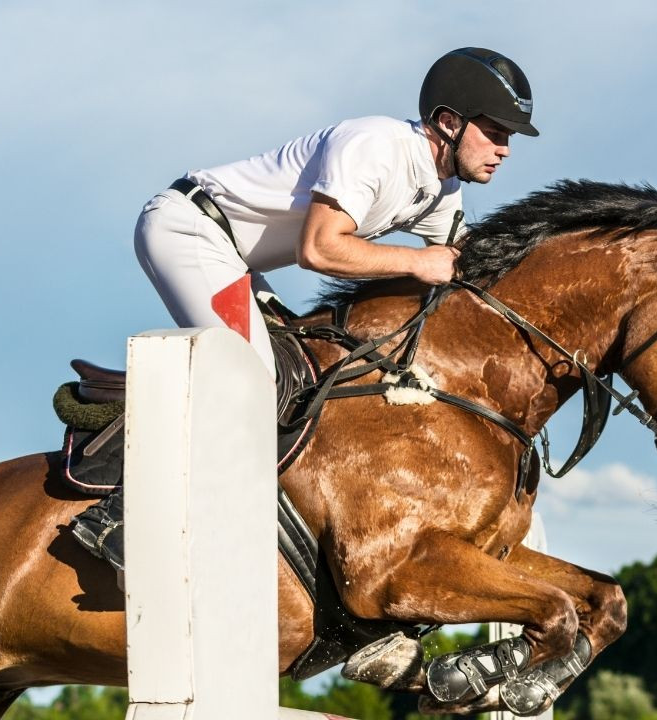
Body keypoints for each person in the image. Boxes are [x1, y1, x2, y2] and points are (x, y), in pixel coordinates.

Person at [73, 47, 539, 579]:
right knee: (254, 377)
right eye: (496, 132)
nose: (504, 149)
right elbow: (318, 249)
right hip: (189, 229)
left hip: (233, 257)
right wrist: (417, 261)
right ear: (449, 122)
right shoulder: (376, 147)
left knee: (308, 372)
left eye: (509, 138)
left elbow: (461, 264)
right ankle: (123, 519)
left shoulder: (441, 186)